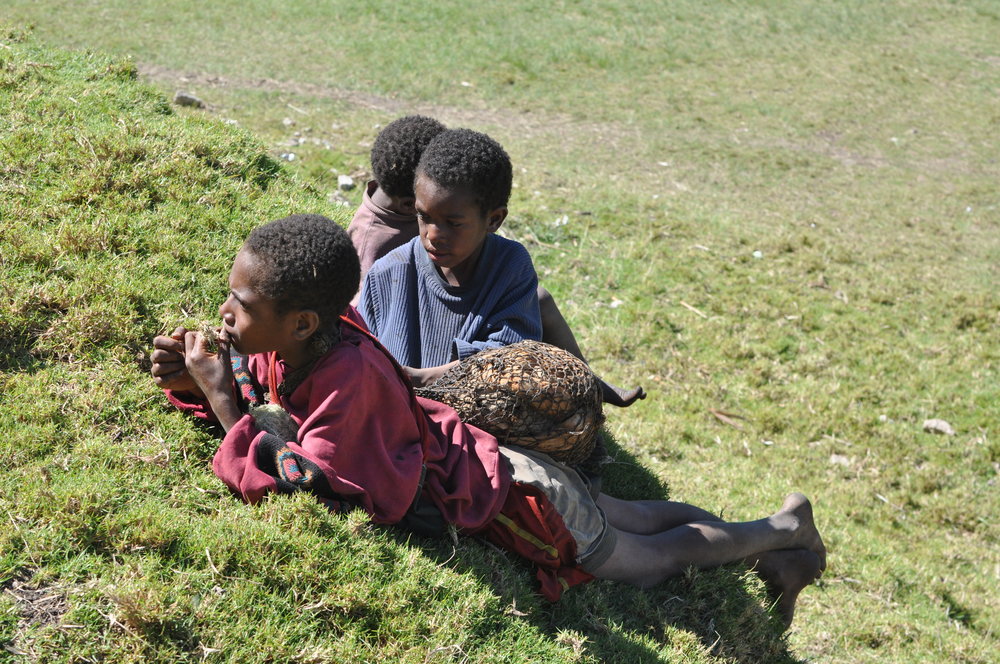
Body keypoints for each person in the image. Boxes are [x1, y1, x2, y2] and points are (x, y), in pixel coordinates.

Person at [150, 214, 825, 627]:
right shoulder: (320, 337)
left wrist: (222, 399)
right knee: (638, 515)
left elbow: (303, 479)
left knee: (654, 555)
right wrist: (197, 379)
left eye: (238, 305)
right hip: (502, 464)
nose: (225, 313)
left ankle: (781, 530)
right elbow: (273, 395)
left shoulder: (345, 381)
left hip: (520, 501)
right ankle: (780, 530)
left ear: (299, 322)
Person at [351, 117, 644, 407]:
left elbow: (510, 362)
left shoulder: (510, 266)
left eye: (453, 223)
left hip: (483, 416)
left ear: (494, 219)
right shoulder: (387, 273)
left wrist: (421, 379)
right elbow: (356, 352)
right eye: (424, 217)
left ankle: (588, 384)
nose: (433, 235)